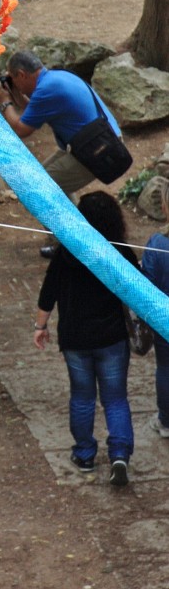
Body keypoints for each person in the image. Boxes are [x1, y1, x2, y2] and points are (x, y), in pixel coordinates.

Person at [33, 190, 137, 488]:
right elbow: (136, 291)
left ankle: (85, 455)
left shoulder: (66, 253)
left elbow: (47, 293)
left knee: (82, 397)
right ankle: (119, 454)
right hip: (112, 339)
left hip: (76, 339)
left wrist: (40, 326)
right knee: (115, 398)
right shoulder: (121, 252)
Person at [0, 49, 127, 257]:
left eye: (13, 78)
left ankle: (71, 245)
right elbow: (35, 112)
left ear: (21, 74)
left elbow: (22, 129)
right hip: (98, 142)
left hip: (97, 150)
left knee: (36, 188)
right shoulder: (56, 78)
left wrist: (5, 103)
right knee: (50, 182)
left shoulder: (47, 90)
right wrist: (16, 95)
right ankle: (71, 240)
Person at [140, 179, 169, 439]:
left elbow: (145, 284)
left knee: (166, 368)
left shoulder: (157, 243)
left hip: (163, 320)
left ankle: (166, 421)